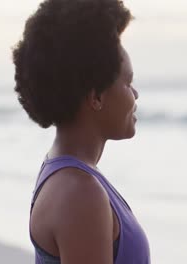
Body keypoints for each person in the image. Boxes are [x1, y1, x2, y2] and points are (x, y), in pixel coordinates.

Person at [11, 0, 151, 263]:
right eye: (128, 82)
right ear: (96, 96)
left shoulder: (68, 174)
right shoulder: (80, 193)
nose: (135, 94)